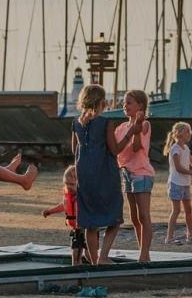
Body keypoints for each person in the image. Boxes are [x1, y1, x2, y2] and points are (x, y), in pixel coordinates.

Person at [72, 85, 128, 265]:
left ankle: (95, 260)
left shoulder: (76, 123)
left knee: (90, 220)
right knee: (115, 215)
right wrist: (130, 134)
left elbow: (75, 149)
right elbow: (115, 150)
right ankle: (103, 256)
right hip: (104, 173)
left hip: (84, 174)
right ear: (102, 102)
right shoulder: (105, 123)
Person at [114, 89, 154, 262]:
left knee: (144, 215)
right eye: (124, 102)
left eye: (129, 102)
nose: (125, 105)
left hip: (142, 173)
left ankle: (145, 254)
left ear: (140, 106)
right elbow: (116, 150)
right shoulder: (121, 128)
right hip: (127, 174)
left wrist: (136, 128)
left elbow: (137, 147)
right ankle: (142, 250)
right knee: (134, 217)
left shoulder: (145, 125)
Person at [42, 166, 88, 265]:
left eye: (72, 184)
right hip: (76, 229)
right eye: (66, 184)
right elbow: (63, 206)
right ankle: (75, 270)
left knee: (88, 253)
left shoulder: (84, 196)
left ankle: (94, 268)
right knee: (75, 253)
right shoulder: (68, 196)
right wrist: (50, 211)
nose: (69, 187)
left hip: (87, 229)